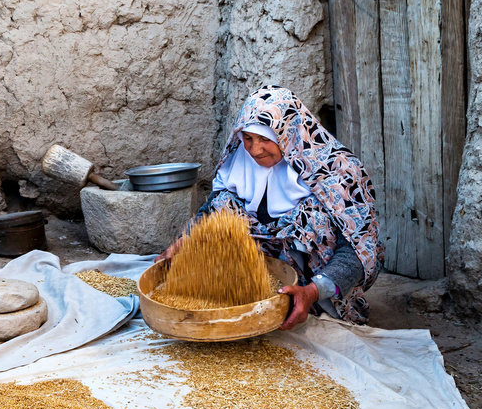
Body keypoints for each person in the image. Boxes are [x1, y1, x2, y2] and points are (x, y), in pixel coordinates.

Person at [156, 85, 383, 330]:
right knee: (224, 206)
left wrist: (312, 291)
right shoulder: (239, 163)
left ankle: (305, 301)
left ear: (289, 134)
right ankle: (242, 296)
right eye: (248, 138)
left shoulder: (340, 172)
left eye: (265, 139)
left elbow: (358, 251)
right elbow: (212, 210)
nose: (254, 150)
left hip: (315, 292)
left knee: (315, 219)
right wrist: (185, 241)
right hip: (248, 286)